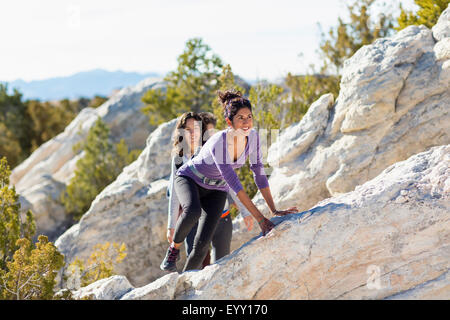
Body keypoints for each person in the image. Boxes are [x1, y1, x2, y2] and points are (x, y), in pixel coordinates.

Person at [160, 89, 297, 273]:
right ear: (229, 122)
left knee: (202, 247)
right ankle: (173, 250)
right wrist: (260, 220)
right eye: (240, 118)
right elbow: (235, 184)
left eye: (249, 116)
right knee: (192, 211)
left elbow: (259, 173)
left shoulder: (255, 137)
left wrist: (273, 209)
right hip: (189, 179)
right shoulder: (219, 142)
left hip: (216, 189)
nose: (246, 121)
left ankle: (185, 283)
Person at [165, 111, 252, 271]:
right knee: (195, 262)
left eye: (196, 129)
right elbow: (175, 194)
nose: (192, 134)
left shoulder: (211, 151)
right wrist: (171, 225)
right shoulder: (178, 158)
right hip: (195, 221)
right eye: (188, 130)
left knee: (221, 264)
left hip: (222, 218)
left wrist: (245, 211)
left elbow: (230, 182)